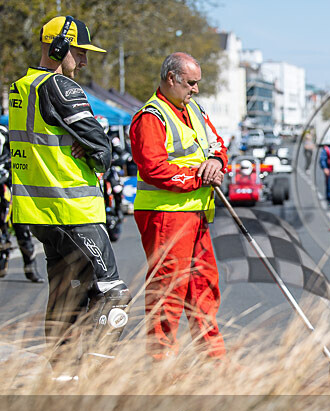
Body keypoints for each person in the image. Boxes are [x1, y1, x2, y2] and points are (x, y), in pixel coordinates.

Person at [8, 15, 131, 354]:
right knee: (114, 296)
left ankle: (63, 378)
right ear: (59, 47)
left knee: (66, 300)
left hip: (38, 214)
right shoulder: (61, 86)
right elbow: (102, 148)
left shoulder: (20, 89)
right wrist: (94, 152)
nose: (85, 61)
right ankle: (93, 372)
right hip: (72, 210)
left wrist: (83, 144)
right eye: (79, 51)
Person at [130, 52, 227, 361]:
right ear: (171, 79)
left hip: (195, 216)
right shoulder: (151, 116)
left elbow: (218, 143)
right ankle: (161, 366)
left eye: (197, 83)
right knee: (168, 293)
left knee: (203, 287)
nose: (195, 89)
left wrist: (215, 161)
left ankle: (214, 360)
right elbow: (154, 169)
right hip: (165, 217)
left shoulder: (194, 110)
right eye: (191, 83)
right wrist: (200, 178)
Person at [0, 124, 44, 282]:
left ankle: (30, 267)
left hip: (10, 183)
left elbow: (22, 154)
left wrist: (9, 168)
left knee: (21, 224)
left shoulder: (6, 133)